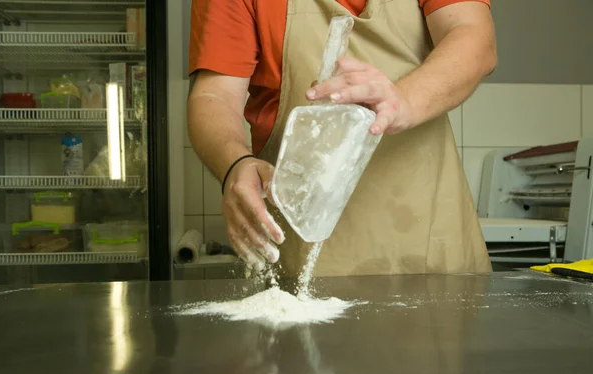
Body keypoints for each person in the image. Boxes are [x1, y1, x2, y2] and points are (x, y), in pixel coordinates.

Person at [187, 0, 496, 277]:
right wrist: (234, 164)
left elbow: (472, 34)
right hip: (307, 259)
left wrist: (402, 100)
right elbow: (215, 95)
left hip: (432, 247)